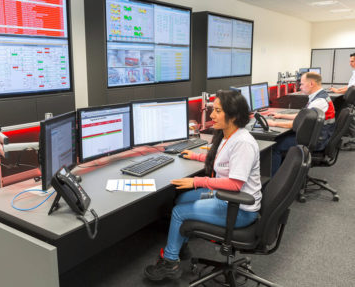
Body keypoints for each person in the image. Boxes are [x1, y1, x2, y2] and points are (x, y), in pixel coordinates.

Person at [144, 90, 262, 281]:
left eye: (217, 111)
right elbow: (222, 161)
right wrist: (197, 156)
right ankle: (179, 245)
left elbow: (235, 184)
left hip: (239, 208)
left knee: (179, 212)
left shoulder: (243, 143)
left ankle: (170, 262)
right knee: (182, 198)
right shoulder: (229, 135)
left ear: (232, 115)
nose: (212, 115)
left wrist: (197, 181)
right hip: (225, 197)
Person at [268, 72, 335, 175]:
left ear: (311, 84)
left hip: (316, 140)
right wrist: (281, 116)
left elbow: (298, 123)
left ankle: (276, 181)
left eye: (302, 84)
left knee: (274, 146)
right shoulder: (318, 97)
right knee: (279, 138)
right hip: (316, 135)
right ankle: (286, 173)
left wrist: (274, 124)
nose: (300, 86)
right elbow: (302, 116)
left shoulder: (319, 101)